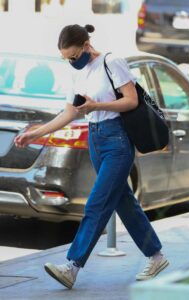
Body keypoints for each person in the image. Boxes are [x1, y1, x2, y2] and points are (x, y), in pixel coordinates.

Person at [14, 24, 169, 289]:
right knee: (124, 203)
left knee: (96, 204)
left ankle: (72, 266)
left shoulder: (112, 62)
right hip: (96, 139)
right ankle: (156, 256)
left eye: (73, 56)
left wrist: (96, 105)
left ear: (86, 45)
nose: (72, 62)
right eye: (67, 59)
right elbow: (69, 113)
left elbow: (131, 101)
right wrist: (35, 133)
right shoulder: (80, 74)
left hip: (117, 141)